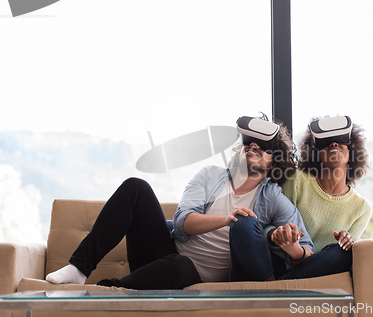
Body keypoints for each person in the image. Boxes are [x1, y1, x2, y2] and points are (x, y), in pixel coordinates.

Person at [45, 115, 314, 289]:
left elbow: (306, 247)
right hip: (161, 253)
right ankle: (79, 269)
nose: (252, 147)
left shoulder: (272, 198)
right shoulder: (210, 176)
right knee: (135, 188)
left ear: (273, 159)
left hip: (191, 275)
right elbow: (183, 223)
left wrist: (293, 248)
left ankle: (108, 289)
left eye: (262, 146)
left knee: (181, 267)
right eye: (249, 142)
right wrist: (225, 217)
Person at [269, 115, 371, 280]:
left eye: (340, 140)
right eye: (326, 141)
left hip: (321, 269)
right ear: (316, 153)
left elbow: (340, 258)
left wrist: (348, 240)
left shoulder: (361, 208)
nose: (334, 144)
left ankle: (281, 288)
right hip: (282, 261)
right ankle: (284, 286)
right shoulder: (296, 180)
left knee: (345, 252)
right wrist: (276, 234)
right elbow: (268, 224)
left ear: (352, 153)